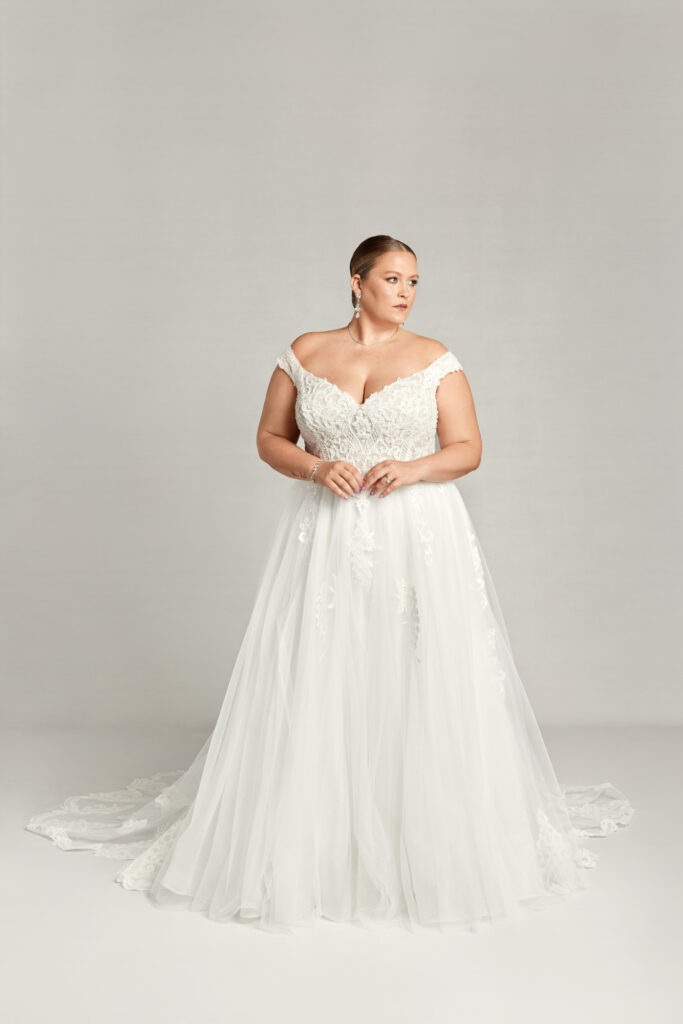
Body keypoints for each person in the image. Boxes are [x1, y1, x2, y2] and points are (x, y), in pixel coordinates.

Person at [25, 234, 634, 934]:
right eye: (391, 279)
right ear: (355, 281)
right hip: (326, 530)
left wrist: (411, 468)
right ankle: (314, 832)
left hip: (417, 532)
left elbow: (467, 448)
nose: (405, 292)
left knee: (417, 667)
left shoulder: (436, 359)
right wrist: (317, 468)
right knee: (320, 665)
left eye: (413, 281)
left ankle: (428, 830)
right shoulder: (306, 352)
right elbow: (269, 438)